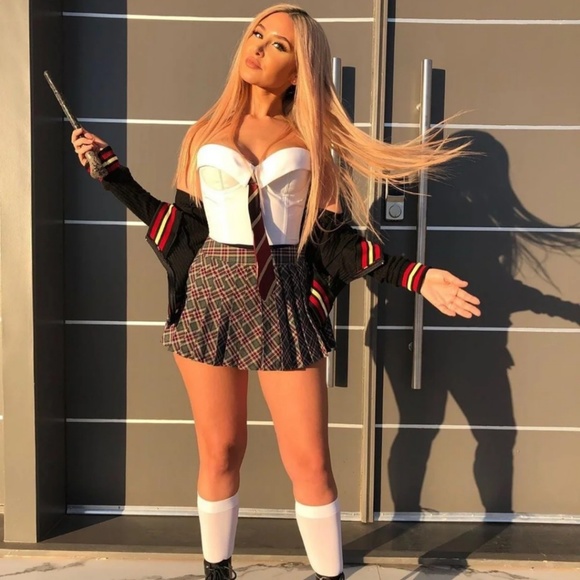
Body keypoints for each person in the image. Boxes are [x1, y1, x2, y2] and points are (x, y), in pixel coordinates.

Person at [71, 4, 481, 579]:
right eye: (257, 35)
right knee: (220, 451)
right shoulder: (202, 133)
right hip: (210, 294)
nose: (259, 47)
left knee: (310, 463)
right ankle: (218, 572)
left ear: (300, 70)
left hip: (283, 296)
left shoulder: (313, 142)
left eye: (279, 44)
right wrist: (113, 176)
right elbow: (183, 227)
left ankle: (329, 575)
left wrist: (416, 276)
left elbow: (336, 245)